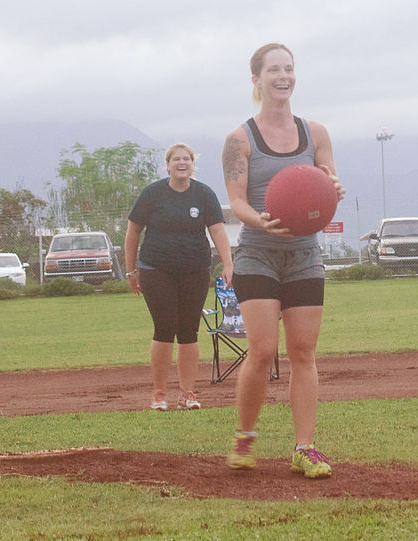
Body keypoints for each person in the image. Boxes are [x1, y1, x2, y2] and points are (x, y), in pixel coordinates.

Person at [221, 43, 345, 478]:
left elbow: (327, 183)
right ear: (256, 79)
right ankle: (245, 436)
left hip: (304, 255)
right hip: (257, 253)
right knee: (262, 351)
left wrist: (333, 191)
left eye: (289, 69)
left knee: (304, 351)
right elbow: (235, 201)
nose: (283, 76)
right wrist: (263, 220)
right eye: (274, 70)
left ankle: (304, 448)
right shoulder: (239, 139)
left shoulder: (316, 133)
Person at [125, 143, 234, 411]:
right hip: (155, 270)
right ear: (168, 164)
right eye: (176, 159)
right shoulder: (153, 193)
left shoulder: (204, 194)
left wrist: (228, 264)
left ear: (192, 164)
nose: (181, 163)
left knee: (189, 331)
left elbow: (218, 231)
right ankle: (159, 394)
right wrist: (131, 270)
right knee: (164, 329)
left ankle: (188, 393)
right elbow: (132, 232)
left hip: (195, 271)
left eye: (186, 159)